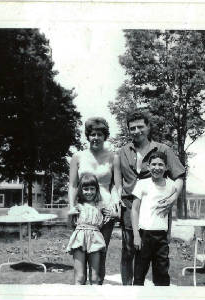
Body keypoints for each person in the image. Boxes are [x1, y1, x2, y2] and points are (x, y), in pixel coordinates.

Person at [114, 110, 185, 285]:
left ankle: (155, 291)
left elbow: (179, 177)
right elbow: (118, 182)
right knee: (129, 251)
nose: (137, 131)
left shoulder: (163, 149)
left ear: (148, 127)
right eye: (132, 128)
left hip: (155, 209)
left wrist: (172, 198)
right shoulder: (122, 152)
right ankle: (128, 290)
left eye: (140, 126)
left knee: (155, 256)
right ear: (128, 130)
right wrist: (117, 197)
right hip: (131, 207)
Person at [68, 117, 120, 284]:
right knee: (81, 254)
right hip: (84, 211)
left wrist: (115, 202)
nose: (96, 137)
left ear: (105, 136)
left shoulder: (113, 157)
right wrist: (71, 207)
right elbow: (73, 185)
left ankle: (97, 288)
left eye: (99, 134)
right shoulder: (78, 156)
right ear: (88, 136)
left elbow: (116, 185)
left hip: (105, 212)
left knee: (100, 256)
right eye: (92, 134)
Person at [131, 152, 176, 286]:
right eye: (154, 164)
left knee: (162, 274)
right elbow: (134, 209)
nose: (157, 167)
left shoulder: (171, 186)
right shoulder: (142, 184)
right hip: (144, 234)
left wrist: (168, 233)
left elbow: (169, 212)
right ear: (148, 167)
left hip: (161, 236)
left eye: (161, 164)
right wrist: (135, 235)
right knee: (139, 274)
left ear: (166, 167)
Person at [66, 173, 106, 285]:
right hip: (79, 239)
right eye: (86, 189)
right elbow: (70, 225)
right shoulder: (78, 206)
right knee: (79, 276)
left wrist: (113, 213)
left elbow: (113, 216)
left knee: (95, 277)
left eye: (92, 189)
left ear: (96, 189)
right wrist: (70, 215)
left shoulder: (100, 206)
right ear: (81, 190)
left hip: (95, 239)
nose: (89, 192)